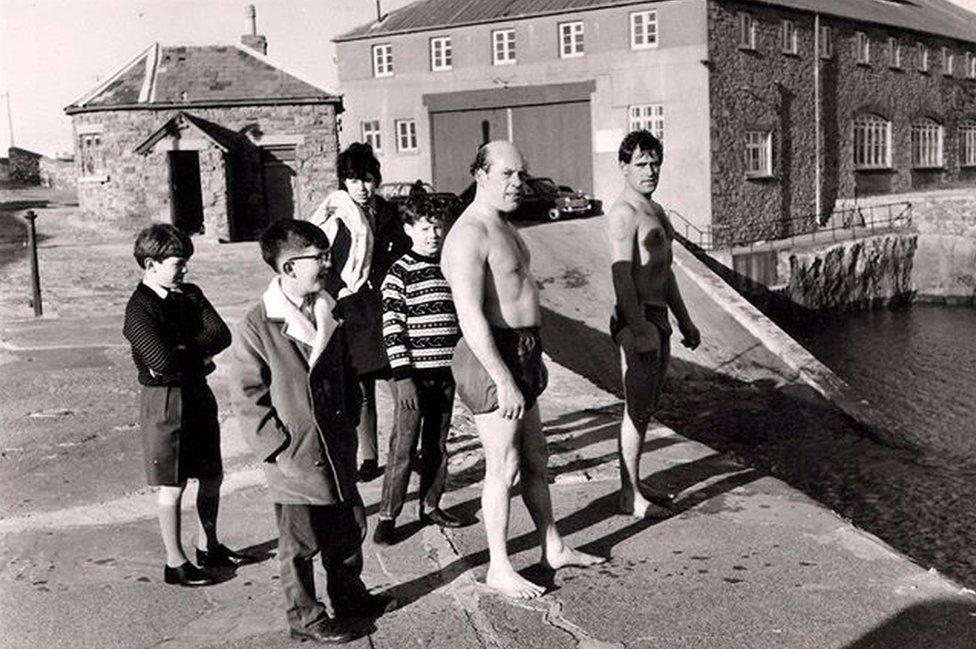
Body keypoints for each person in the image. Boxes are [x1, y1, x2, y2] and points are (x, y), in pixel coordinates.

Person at [442, 141, 606, 599]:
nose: (519, 183)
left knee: (536, 457)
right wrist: (502, 378)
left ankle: (552, 546)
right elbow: (470, 316)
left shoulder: (503, 225)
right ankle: (498, 566)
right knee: (504, 464)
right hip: (491, 355)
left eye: (522, 174)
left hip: (521, 352)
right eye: (508, 175)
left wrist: (531, 357)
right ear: (481, 174)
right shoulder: (469, 233)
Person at [229, 219, 391, 644]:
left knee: (347, 527)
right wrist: (275, 446)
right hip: (294, 454)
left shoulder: (328, 309)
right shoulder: (259, 324)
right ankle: (305, 616)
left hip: (335, 445)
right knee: (299, 544)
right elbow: (248, 395)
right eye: (317, 257)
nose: (326, 262)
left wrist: (352, 415)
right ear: (287, 268)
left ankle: (349, 596)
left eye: (325, 254)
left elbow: (348, 371)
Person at [122, 223, 247, 588]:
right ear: (151, 265)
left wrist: (182, 350)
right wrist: (198, 355)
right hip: (165, 401)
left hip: (196, 393)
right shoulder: (139, 308)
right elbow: (160, 360)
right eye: (178, 263)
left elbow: (220, 334)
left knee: (211, 475)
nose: (186, 269)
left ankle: (209, 545)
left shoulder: (190, 294)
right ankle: (174, 562)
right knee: (172, 484)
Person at [605, 130, 701, 519]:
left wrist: (685, 320)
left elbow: (666, 272)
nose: (650, 171)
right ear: (624, 167)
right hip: (637, 318)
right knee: (636, 407)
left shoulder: (656, 211)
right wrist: (639, 327)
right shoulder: (624, 214)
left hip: (658, 316)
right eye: (641, 164)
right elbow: (622, 276)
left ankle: (635, 482)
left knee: (647, 408)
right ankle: (629, 495)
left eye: (654, 163)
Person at [308, 143, 411, 483]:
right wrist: (341, 292)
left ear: (376, 180)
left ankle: (408, 450)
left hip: (387, 305)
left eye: (367, 179)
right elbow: (321, 263)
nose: (361, 188)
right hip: (351, 309)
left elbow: (404, 252)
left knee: (403, 384)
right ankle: (369, 458)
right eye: (353, 180)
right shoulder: (334, 216)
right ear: (343, 182)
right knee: (362, 391)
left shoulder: (388, 212)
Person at [373, 195, 464, 546]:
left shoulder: (451, 267)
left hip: (447, 373)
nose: (433, 235)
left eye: (439, 228)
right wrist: (403, 377)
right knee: (403, 446)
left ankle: (430, 505)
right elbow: (393, 328)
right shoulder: (399, 272)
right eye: (425, 228)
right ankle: (387, 515)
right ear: (409, 229)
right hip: (414, 377)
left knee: (437, 444)